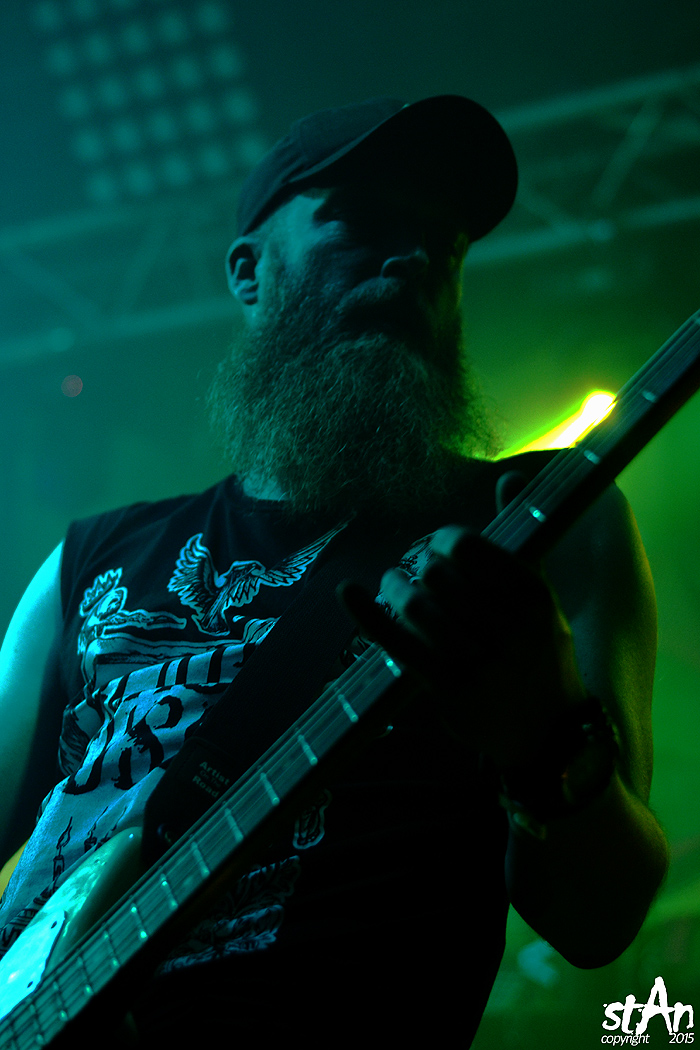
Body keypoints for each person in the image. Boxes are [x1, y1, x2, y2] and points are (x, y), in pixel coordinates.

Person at [0, 96, 668, 1046]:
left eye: (444, 244)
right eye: (359, 222)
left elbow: (601, 920)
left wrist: (543, 733)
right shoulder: (88, 560)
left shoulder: (538, 522)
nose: (413, 258)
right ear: (249, 272)